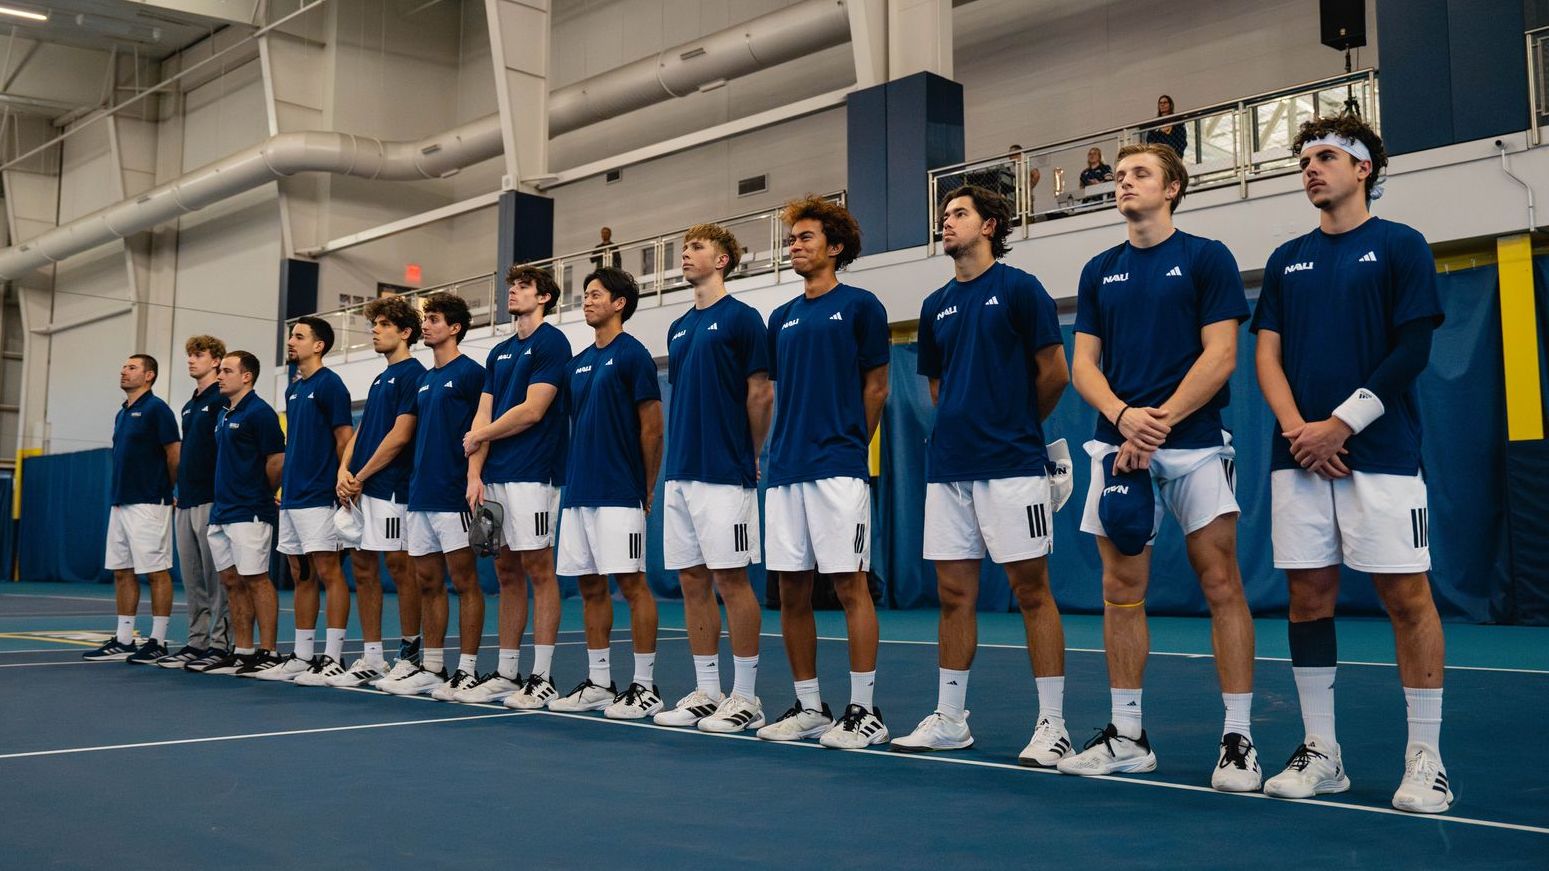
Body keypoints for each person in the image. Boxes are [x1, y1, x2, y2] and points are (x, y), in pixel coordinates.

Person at [1251, 115, 1452, 814]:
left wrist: (1339, 424)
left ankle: (1425, 758)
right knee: (1307, 599)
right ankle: (1320, 750)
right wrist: (1298, 431)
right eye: (1304, 159)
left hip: (1382, 455)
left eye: (1326, 157)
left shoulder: (1400, 246)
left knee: (1406, 599)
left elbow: (1410, 350)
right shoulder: (1285, 258)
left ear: (1363, 168)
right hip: (1297, 456)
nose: (1310, 169)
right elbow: (1266, 355)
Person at [1058, 143, 1259, 792]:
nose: (1123, 183)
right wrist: (1124, 418)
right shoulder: (1099, 268)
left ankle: (1238, 740)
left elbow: (1221, 354)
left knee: (1220, 580)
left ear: (1172, 187)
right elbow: (1081, 365)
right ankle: (1126, 735)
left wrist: (1158, 420)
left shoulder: (1205, 258)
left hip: (1193, 441)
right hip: (1116, 444)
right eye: (1117, 176)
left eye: (1139, 173)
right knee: (1120, 590)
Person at [890, 185, 1074, 766]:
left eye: (959, 214)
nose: (946, 222)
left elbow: (1056, 373)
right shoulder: (935, 303)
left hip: (1013, 464)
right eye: (944, 215)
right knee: (952, 594)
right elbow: (939, 390)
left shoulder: (1021, 290)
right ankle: (949, 719)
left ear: (990, 224)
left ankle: (1053, 726)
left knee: (1031, 591)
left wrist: (1015, 426)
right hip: (949, 469)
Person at [756, 196, 891, 749]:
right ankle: (810, 706)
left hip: (837, 466)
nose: (795, 246)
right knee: (791, 590)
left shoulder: (862, 306)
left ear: (835, 247)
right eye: (792, 239)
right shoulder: (781, 317)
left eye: (806, 237)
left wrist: (847, 444)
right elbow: (774, 392)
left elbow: (877, 387)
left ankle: (865, 711)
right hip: (786, 469)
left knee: (849, 585)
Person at [652, 224, 773, 733]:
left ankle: (746, 697)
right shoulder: (678, 328)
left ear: (723, 260)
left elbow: (760, 396)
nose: (685, 254)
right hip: (681, 472)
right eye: (683, 247)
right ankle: (707, 690)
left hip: (726, 471)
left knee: (731, 579)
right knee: (691, 581)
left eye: (697, 248)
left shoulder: (745, 320)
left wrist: (749, 455)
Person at [546, 267, 666, 719]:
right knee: (589, 587)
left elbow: (652, 428)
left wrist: (646, 487)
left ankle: (644, 685)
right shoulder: (576, 364)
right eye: (586, 295)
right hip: (579, 492)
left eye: (596, 294)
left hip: (620, 491)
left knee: (632, 585)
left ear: (620, 303)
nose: (587, 300)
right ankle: (599, 681)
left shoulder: (634, 355)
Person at [455, 264, 570, 706]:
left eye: (523, 287)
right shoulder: (499, 353)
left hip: (534, 475)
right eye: (511, 287)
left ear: (544, 297)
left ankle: (541, 677)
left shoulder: (552, 342)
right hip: (494, 480)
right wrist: (473, 473)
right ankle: (506, 672)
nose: (513, 293)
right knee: (504, 571)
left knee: (538, 568)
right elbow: (481, 418)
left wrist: (479, 436)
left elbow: (533, 410)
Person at [377, 293, 487, 699]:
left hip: (453, 494)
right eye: (426, 319)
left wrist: (475, 479)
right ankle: (434, 667)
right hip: (419, 494)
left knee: (464, 581)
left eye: (435, 319)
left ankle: (468, 670)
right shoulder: (424, 379)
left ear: (455, 327)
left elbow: (484, 429)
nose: (427, 325)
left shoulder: (473, 373)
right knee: (426, 580)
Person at [331, 295, 428, 688]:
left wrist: (363, 475)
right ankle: (372, 656)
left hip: (390, 488)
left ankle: (410, 656)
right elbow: (361, 431)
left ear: (405, 332)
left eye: (384, 324)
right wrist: (344, 470)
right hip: (361, 488)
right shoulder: (379, 377)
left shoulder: (413, 374)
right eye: (375, 324)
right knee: (363, 568)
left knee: (400, 568)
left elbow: (400, 436)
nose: (375, 330)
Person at [258, 318, 355, 685]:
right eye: (291, 335)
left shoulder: (331, 384)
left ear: (319, 345)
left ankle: (332, 657)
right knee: (301, 574)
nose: (291, 341)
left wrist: (340, 483)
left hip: (319, 496)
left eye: (299, 336)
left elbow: (345, 439)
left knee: (329, 572)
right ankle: (302, 655)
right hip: (294, 496)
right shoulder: (294, 389)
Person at [85, 355, 181, 663]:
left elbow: (174, 454)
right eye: (124, 367)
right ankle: (124, 639)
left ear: (149, 375)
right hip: (121, 502)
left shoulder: (158, 409)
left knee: (156, 571)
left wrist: (164, 488)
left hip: (150, 502)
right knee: (122, 571)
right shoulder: (122, 413)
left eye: (132, 367)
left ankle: (158, 641)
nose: (124, 371)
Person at [197, 351, 286, 677]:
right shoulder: (222, 414)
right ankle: (244, 651)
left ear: (246, 376)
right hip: (222, 512)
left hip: (249, 511)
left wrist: (259, 493)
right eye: (220, 371)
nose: (220, 376)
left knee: (257, 579)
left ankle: (269, 651)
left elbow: (277, 460)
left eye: (226, 371)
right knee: (232, 582)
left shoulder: (260, 413)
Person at [158, 337, 232, 671]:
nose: (190, 360)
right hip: (185, 500)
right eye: (189, 354)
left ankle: (221, 644)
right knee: (192, 578)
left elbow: (225, 450)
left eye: (198, 355)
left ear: (216, 361)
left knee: (217, 578)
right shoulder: (189, 406)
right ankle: (196, 641)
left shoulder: (221, 399)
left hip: (211, 498)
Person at [1145, 95, 1188, 159]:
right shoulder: (1154, 123)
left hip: (1174, 153)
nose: (1162, 105)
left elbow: (1182, 140)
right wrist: (1160, 131)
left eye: (1165, 102)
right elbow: (1150, 140)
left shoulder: (1177, 121)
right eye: (1160, 103)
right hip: (1159, 154)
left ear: (1170, 105)